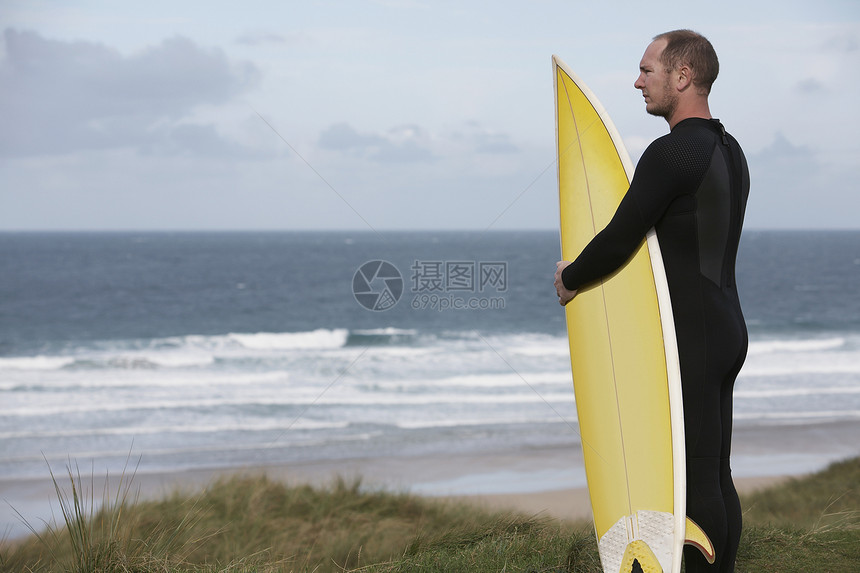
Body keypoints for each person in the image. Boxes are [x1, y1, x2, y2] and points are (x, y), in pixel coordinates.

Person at [553, 30, 749, 573]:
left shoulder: (674, 151)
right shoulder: (729, 151)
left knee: (693, 477)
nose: (637, 81)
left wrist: (574, 277)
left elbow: (621, 234)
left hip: (694, 336)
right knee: (714, 470)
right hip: (726, 325)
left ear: (682, 76)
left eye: (647, 70)